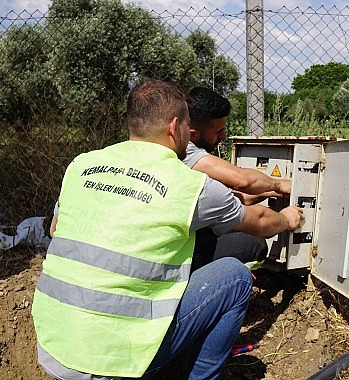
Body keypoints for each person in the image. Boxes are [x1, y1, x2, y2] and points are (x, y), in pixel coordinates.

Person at [32, 79, 303, 380]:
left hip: (55, 348)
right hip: (116, 365)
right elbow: (262, 222)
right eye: (188, 124)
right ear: (175, 127)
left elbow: (56, 229)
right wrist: (289, 219)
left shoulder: (82, 165)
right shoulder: (190, 185)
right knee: (235, 278)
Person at [185, 86, 291, 271]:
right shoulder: (187, 152)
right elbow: (243, 180)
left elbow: (230, 197)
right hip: (183, 252)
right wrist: (279, 185)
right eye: (218, 131)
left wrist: (270, 191)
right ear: (193, 133)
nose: (224, 136)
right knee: (254, 245)